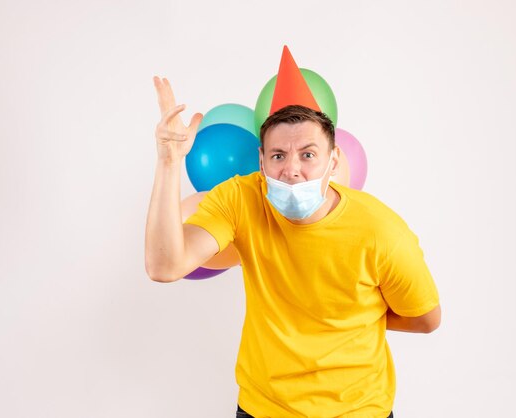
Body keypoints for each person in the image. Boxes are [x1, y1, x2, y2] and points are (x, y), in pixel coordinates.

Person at [145, 76, 441, 418]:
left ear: (333, 161)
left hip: (357, 411)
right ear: (261, 161)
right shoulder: (240, 199)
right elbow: (164, 267)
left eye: (308, 154)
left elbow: (426, 318)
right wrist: (168, 162)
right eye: (278, 155)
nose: (291, 170)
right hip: (263, 409)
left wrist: (348, 320)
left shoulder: (381, 230)